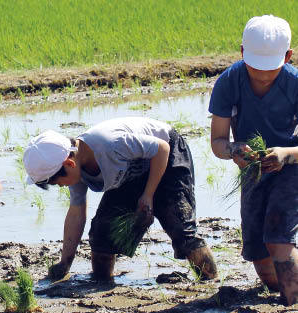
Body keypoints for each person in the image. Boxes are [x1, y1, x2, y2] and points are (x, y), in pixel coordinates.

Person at [22, 117, 217, 283]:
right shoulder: (76, 171)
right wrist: (65, 263)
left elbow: (162, 149)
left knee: (181, 229)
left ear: (69, 163)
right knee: (102, 236)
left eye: (57, 182)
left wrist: (148, 194)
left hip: (166, 157)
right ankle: (103, 283)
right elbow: (76, 213)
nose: (61, 186)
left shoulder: (111, 144)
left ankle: (212, 283)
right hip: (130, 174)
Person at [209, 14, 298, 306]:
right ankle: (282, 289)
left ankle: (293, 302)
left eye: (270, 70)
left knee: (278, 236)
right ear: (242, 52)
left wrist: (286, 154)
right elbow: (218, 142)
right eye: (255, 68)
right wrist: (235, 150)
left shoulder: (295, 84)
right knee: (259, 251)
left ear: (288, 56)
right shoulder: (229, 82)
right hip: (253, 169)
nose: (261, 76)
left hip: (291, 165)